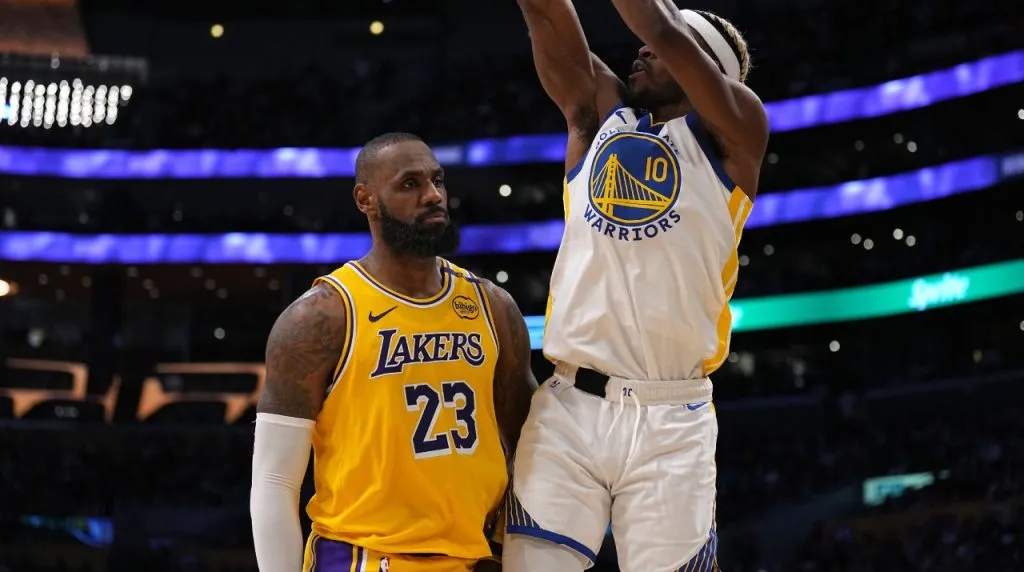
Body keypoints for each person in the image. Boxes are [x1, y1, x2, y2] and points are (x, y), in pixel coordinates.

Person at [506, 0, 769, 570]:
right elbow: (549, 17)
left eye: (674, 49)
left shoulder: (738, 131)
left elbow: (660, 26)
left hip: (672, 419)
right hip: (570, 406)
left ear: (707, 70)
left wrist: (670, 33)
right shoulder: (600, 114)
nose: (642, 51)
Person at [250, 132, 536, 572]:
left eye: (437, 180)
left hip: (473, 558)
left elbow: (531, 444)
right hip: (363, 557)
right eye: (410, 184)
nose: (433, 195)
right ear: (365, 199)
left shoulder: (492, 307)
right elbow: (274, 481)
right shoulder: (321, 317)